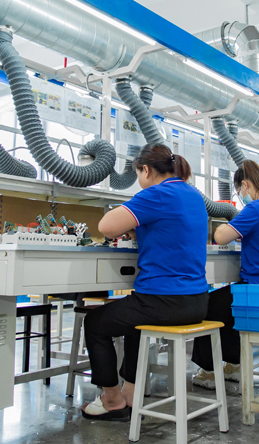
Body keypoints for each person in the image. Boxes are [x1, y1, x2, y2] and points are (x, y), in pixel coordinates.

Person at [81, 145, 211, 421]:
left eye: (138, 174)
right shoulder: (193, 195)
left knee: (94, 323)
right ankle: (130, 392)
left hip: (165, 302)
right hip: (198, 301)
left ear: (146, 170)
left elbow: (106, 227)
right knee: (133, 320)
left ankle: (112, 400)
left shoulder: (156, 193)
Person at [194, 160, 259, 390]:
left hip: (258, 288)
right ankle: (233, 365)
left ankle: (208, 371)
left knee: (208, 304)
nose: (241, 195)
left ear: (246, 185)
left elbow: (221, 237)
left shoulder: (257, 208)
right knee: (227, 302)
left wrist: (220, 228)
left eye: (239, 190)